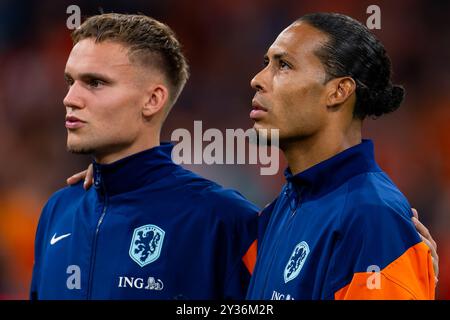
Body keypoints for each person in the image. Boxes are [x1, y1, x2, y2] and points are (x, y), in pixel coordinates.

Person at [30, 13, 259, 300]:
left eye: (95, 83)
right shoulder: (59, 209)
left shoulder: (222, 219)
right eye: (70, 81)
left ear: (152, 100)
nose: (70, 98)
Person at [245, 13, 436, 300]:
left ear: (338, 91)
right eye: (266, 64)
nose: (257, 80)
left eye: (284, 65)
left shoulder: (374, 219)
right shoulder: (284, 206)